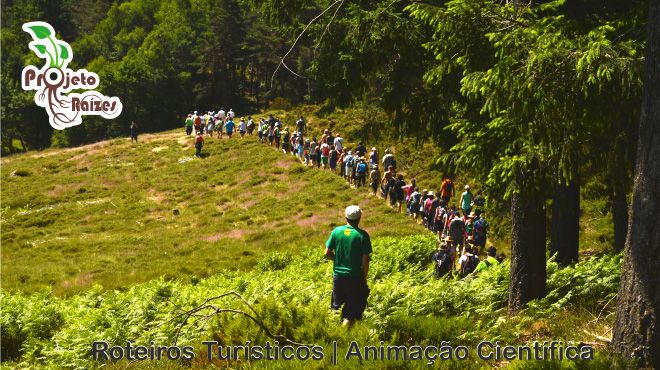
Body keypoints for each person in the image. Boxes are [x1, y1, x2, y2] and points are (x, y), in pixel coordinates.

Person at [325, 205, 372, 327]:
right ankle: (344, 337)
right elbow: (365, 260)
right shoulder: (363, 235)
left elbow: (327, 253)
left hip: (338, 277)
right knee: (351, 312)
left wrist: (338, 259)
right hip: (355, 277)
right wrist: (364, 278)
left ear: (346, 217)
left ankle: (333, 335)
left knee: (336, 309)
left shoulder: (336, 231)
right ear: (359, 218)